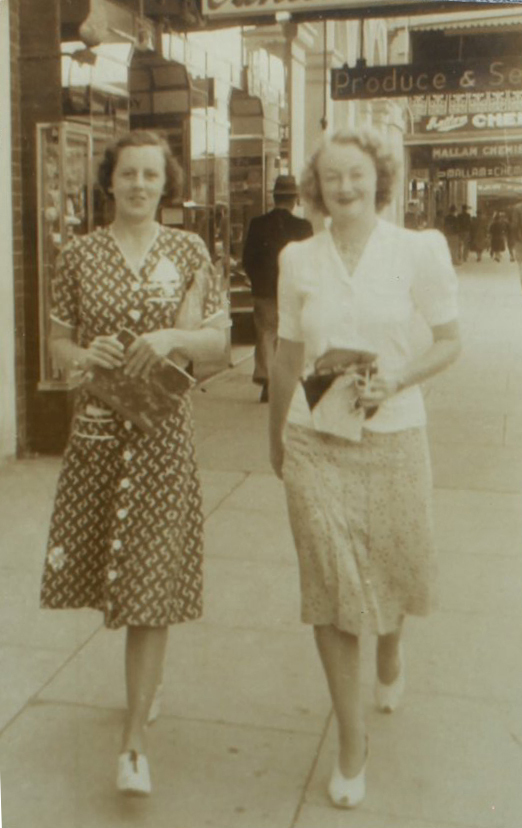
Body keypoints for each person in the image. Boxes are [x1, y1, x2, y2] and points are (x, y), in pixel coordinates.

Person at [269, 127, 460, 810]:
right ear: (314, 187)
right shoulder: (298, 258)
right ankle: (351, 744)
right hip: (315, 438)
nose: (343, 189)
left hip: (394, 436)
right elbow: (287, 356)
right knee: (330, 586)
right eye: (330, 178)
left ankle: (391, 649)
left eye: (355, 175)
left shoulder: (418, 251)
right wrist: (275, 440)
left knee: (390, 572)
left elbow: (449, 340)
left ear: (381, 178)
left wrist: (400, 378)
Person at [40, 130, 226, 796]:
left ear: (166, 182)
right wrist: (83, 357)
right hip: (97, 437)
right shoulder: (79, 254)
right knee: (109, 580)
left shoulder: (190, 250)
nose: (140, 185)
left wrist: (173, 334)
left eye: (152, 175)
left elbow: (219, 340)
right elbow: (56, 342)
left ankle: (134, 747)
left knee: (149, 582)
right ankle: (146, 690)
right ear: (108, 181)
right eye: (128, 174)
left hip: (163, 438)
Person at [242, 175, 313, 402]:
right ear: (294, 199)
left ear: (274, 198)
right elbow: (309, 262)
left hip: (265, 291)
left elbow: (247, 259)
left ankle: (268, 380)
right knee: (293, 334)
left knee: (266, 334)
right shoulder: (303, 227)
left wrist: (257, 281)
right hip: (294, 292)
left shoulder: (257, 224)